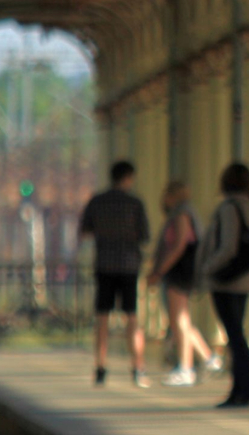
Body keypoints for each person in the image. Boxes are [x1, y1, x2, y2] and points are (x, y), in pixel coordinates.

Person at [78, 160, 151, 387]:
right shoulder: (135, 203)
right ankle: (138, 367)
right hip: (129, 265)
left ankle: (100, 367)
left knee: (102, 317)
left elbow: (85, 231)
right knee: (132, 317)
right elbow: (145, 235)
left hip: (104, 265)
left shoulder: (97, 201)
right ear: (128, 177)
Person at [201, 162, 249, 408]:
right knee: (237, 334)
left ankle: (248, 390)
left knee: (235, 336)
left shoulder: (228, 208)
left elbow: (227, 246)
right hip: (244, 278)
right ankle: (242, 389)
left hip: (225, 280)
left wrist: (208, 267)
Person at [147, 180, 215, 386]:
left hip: (179, 272)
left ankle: (186, 367)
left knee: (179, 320)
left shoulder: (181, 214)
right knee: (181, 319)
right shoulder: (184, 212)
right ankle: (206, 359)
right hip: (181, 271)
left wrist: (159, 271)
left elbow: (178, 246)